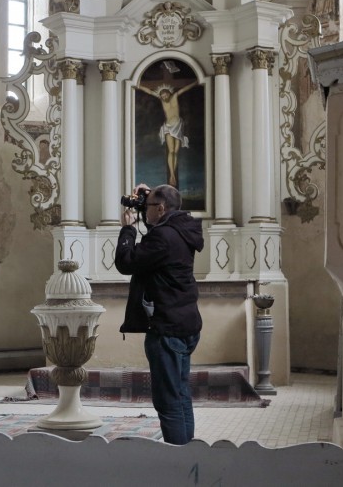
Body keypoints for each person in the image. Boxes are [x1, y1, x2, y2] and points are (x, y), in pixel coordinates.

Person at [115, 183, 204, 445]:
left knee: (168, 401)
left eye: (149, 207)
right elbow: (157, 237)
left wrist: (128, 228)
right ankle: (187, 453)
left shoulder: (163, 237)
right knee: (180, 393)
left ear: (162, 208)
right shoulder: (183, 230)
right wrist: (148, 198)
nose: (145, 211)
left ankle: (177, 460)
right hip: (186, 324)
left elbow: (126, 262)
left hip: (167, 329)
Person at [136, 81, 198, 187]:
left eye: (165, 95)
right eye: (162, 96)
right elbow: (150, 92)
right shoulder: (162, 100)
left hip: (177, 126)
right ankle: (172, 175)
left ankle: (173, 174)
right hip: (168, 127)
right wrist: (139, 86)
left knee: (175, 152)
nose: (164, 97)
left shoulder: (174, 97)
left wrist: (195, 82)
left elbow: (184, 89)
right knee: (171, 150)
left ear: (169, 93)